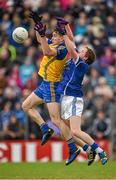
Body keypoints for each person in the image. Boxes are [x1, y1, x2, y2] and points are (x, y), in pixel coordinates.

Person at [22, 11, 80, 166]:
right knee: (26, 106)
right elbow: (40, 40)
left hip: (52, 85)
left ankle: (72, 148)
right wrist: (37, 27)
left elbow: (46, 51)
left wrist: (42, 35)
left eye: (55, 35)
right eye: (52, 35)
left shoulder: (61, 49)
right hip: (44, 84)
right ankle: (45, 129)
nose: (52, 37)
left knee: (56, 119)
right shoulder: (54, 43)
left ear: (62, 38)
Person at [56, 19, 108, 165]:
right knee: (65, 129)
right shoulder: (74, 61)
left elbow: (71, 47)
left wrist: (63, 33)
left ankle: (100, 151)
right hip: (66, 98)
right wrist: (66, 26)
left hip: (73, 98)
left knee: (75, 131)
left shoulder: (81, 64)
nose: (80, 50)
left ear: (85, 57)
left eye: (83, 51)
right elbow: (72, 42)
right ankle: (87, 148)